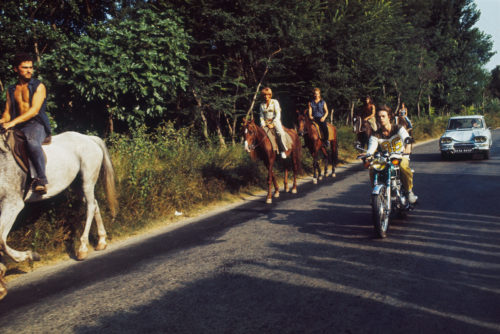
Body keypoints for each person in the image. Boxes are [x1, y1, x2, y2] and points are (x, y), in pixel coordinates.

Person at [0, 53, 51, 194]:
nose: (29, 70)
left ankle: (41, 179)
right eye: (25, 68)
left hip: (36, 124)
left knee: (32, 142)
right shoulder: (11, 89)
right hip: (18, 125)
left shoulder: (39, 86)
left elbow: (34, 111)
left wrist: (11, 123)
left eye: (31, 67)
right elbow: (7, 114)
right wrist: (3, 121)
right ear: (16, 69)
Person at [365, 105, 417, 204]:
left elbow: (406, 139)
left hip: (400, 156)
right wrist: (368, 154)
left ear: (389, 117)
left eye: (383, 116)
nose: (381, 119)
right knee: (372, 168)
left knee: (403, 167)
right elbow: (371, 147)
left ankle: (409, 191)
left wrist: (407, 149)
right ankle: (376, 192)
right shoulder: (375, 134)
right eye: (379, 117)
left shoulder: (398, 128)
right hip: (384, 158)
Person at [259, 87, 287, 159]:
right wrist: (263, 124)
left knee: (280, 133)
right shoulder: (262, 105)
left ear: (270, 95)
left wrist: (273, 124)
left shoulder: (274, 102)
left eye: (268, 95)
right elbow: (261, 116)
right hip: (265, 122)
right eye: (264, 95)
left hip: (275, 121)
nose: (266, 96)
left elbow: (278, 114)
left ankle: (283, 150)